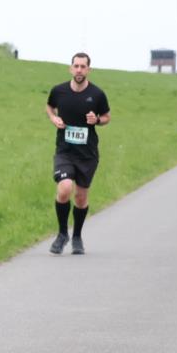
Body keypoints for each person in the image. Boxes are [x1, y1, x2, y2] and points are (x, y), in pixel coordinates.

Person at [45, 52, 111, 255]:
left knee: (81, 197)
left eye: (83, 66)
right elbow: (49, 107)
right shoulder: (59, 91)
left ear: (88, 69)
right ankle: (62, 233)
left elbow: (106, 116)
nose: (79, 70)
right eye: (76, 66)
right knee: (64, 188)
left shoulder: (97, 94)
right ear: (70, 68)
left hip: (87, 153)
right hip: (64, 150)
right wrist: (54, 118)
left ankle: (77, 237)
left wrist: (96, 120)